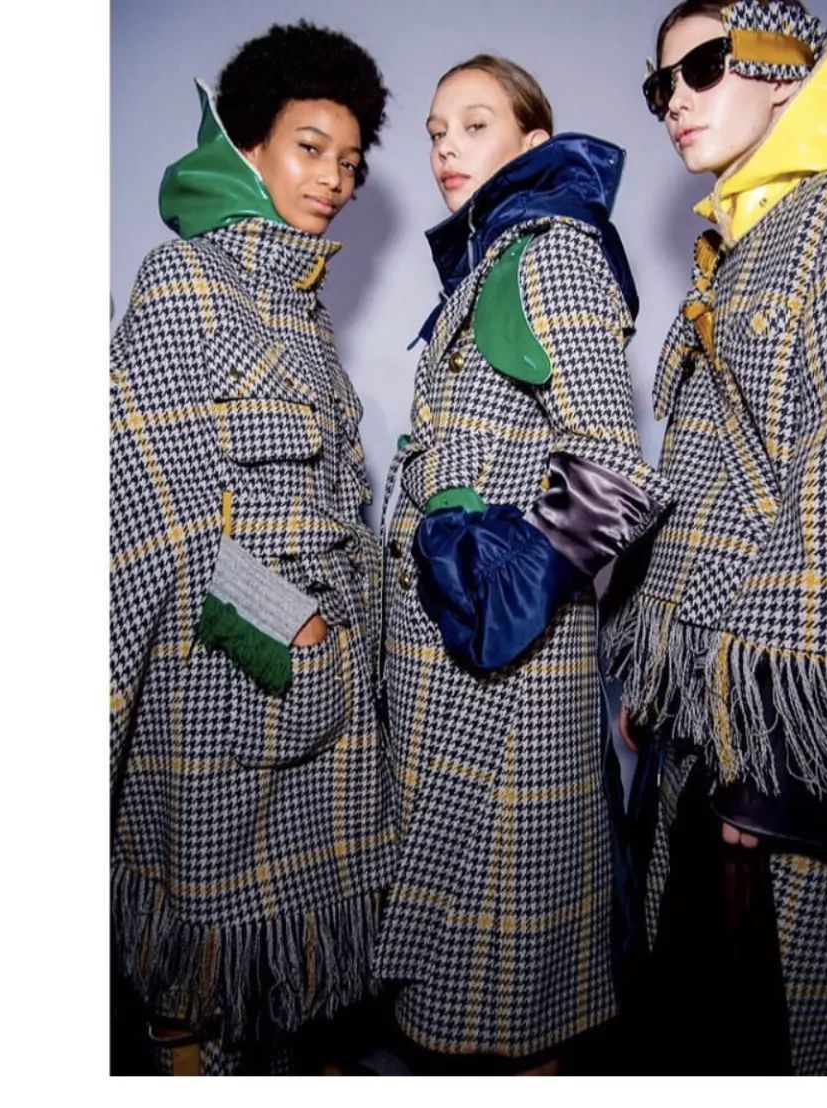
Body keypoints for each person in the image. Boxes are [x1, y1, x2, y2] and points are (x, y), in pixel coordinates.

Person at [373, 56, 674, 1072]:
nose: (446, 148)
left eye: (474, 124)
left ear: (533, 144)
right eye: (435, 131)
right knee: (469, 974)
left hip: (507, 677)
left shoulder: (551, 253)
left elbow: (613, 466)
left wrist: (500, 590)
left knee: (508, 981)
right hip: (452, 665)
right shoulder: (491, 257)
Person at [109, 21, 394, 1075]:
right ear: (248, 145)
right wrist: (292, 629)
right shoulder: (184, 281)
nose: (334, 180)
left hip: (328, 691)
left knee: (300, 983)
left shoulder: (303, 312)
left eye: (351, 162)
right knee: (203, 972)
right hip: (222, 681)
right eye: (311, 148)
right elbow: (156, 509)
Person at [604, 0, 827, 1075]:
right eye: (658, 84)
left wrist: (778, 770)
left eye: (704, 66)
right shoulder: (737, 238)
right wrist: (654, 675)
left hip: (763, 710)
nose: (674, 98)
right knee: (684, 1008)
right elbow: (705, 480)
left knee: (758, 1020)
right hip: (700, 697)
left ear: (784, 67)